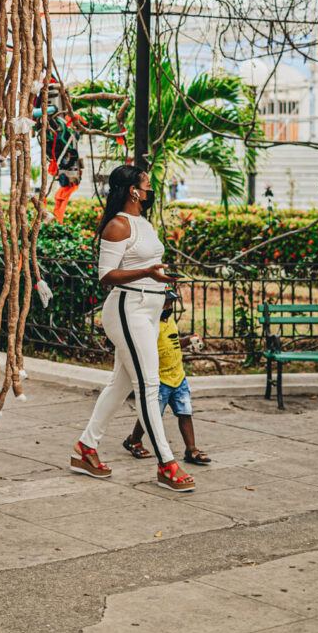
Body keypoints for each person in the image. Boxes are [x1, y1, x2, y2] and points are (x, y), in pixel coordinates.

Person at [70, 165, 196, 492]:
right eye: (146, 184)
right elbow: (105, 275)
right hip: (129, 309)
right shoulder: (117, 226)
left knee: (120, 385)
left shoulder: (143, 223)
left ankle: (86, 447)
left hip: (150, 309)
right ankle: (167, 463)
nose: (151, 188)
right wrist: (147, 275)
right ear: (133, 191)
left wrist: (161, 283)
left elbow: (149, 266)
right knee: (148, 386)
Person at [122, 296, 211, 466]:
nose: (168, 306)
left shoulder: (170, 322)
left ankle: (191, 449)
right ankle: (134, 440)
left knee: (185, 412)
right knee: (151, 414)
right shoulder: (150, 326)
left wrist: (188, 341)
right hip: (160, 379)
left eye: (170, 303)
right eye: (165, 303)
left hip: (178, 376)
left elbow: (173, 343)